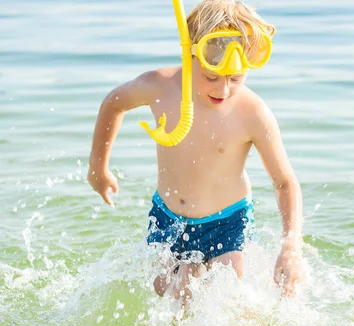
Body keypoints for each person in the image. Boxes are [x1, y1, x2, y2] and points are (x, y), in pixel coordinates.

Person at [87, 0, 304, 304]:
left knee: (230, 304)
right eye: (212, 77)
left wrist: (290, 247)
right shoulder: (160, 87)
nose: (223, 90)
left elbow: (285, 182)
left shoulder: (252, 113)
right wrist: (98, 168)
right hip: (167, 218)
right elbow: (114, 102)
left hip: (228, 223)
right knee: (171, 301)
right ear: (188, 53)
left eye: (235, 78)